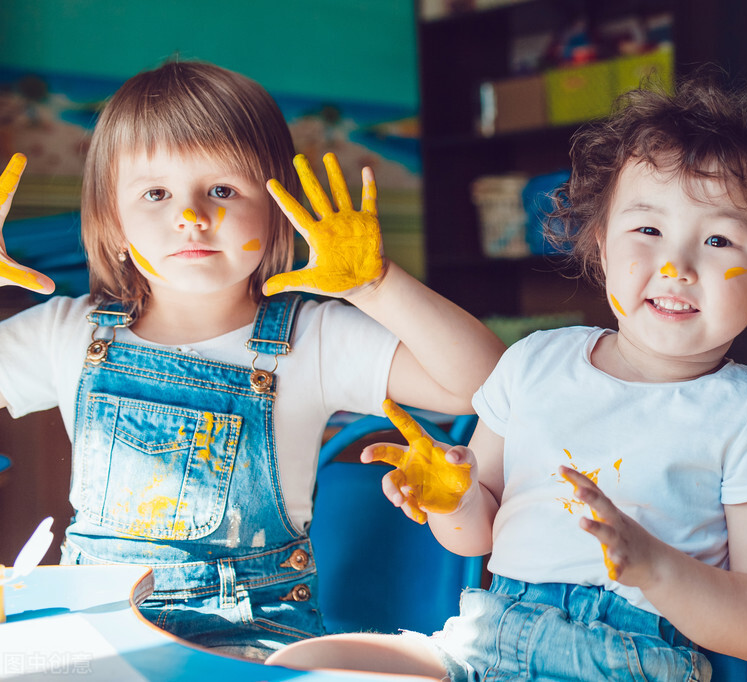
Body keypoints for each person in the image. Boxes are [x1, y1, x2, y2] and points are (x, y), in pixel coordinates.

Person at [266, 70, 747, 680]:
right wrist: (452, 499)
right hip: (486, 640)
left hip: (631, 659)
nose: (676, 266)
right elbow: (476, 534)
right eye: (648, 230)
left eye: (720, 239)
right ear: (600, 244)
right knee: (313, 662)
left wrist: (653, 566)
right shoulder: (535, 362)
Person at [0, 60, 505, 659]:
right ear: (112, 223)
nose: (190, 215)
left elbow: (487, 384)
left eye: (221, 190)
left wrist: (376, 285)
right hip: (94, 629)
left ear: (276, 215)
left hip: (251, 638)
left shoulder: (314, 338)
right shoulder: (68, 332)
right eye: (155, 193)